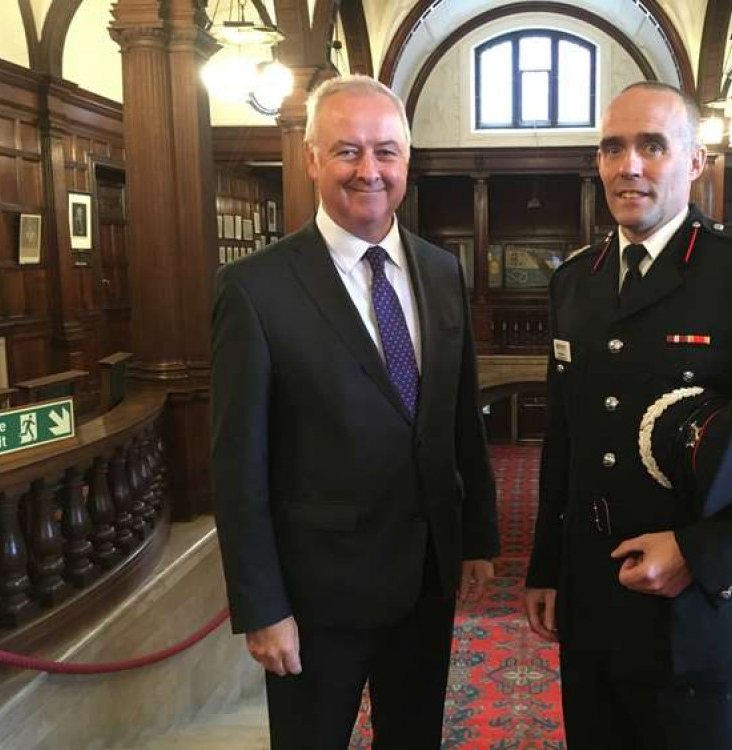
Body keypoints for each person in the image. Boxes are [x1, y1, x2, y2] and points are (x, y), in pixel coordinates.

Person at [523, 81, 732, 749]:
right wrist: (545, 568)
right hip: (592, 601)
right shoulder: (577, 280)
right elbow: (565, 441)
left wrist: (701, 553)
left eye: (652, 146)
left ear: (695, 161)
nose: (629, 166)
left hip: (693, 612)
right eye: (612, 148)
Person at [211, 74, 499, 750]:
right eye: (346, 151)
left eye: (386, 151)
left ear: (408, 159)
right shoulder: (254, 289)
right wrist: (263, 607)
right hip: (316, 600)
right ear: (311, 157)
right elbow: (237, 463)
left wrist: (478, 537)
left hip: (425, 583)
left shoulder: (440, 271)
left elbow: (459, 419)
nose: (368, 170)